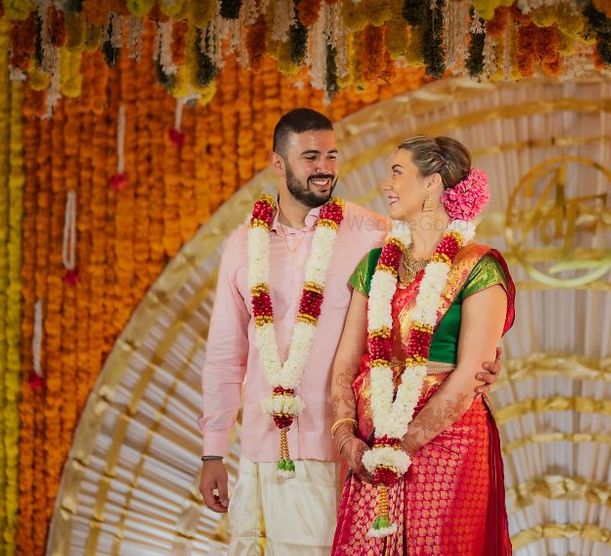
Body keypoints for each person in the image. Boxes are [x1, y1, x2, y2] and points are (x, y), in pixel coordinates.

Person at [198, 110, 501, 556]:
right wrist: (212, 452)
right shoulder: (244, 243)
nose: (324, 167)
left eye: (332, 155)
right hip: (261, 446)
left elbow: (431, 293)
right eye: (310, 156)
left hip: (343, 452)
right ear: (278, 164)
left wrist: (481, 358)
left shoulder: (373, 234)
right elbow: (226, 353)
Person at [330, 135, 515, 555]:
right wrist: (348, 440)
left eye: (397, 172)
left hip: (448, 440)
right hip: (372, 442)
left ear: (432, 184)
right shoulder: (376, 264)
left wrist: (404, 444)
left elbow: (470, 373)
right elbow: (345, 362)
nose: (386, 184)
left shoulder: (479, 266)